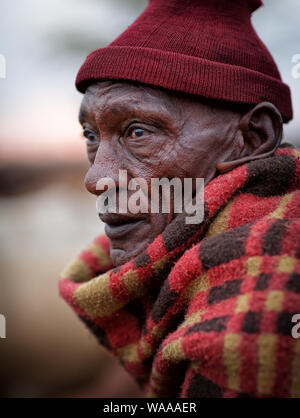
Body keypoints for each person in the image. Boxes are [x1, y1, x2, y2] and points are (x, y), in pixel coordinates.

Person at [59, 0, 300, 397]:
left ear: (251, 139)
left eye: (138, 132)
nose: (96, 179)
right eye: (91, 135)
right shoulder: (186, 248)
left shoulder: (255, 315)